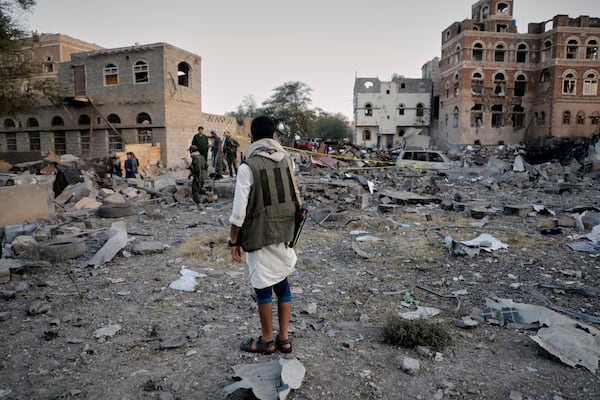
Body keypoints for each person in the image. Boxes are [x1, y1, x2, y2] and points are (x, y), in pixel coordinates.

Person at [229, 115, 302, 354]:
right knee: (282, 283)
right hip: (284, 233)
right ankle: (284, 339)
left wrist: (233, 241)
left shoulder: (247, 167)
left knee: (262, 288)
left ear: (251, 136)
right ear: (274, 137)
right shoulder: (287, 161)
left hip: (259, 235)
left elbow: (239, 212)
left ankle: (267, 341)